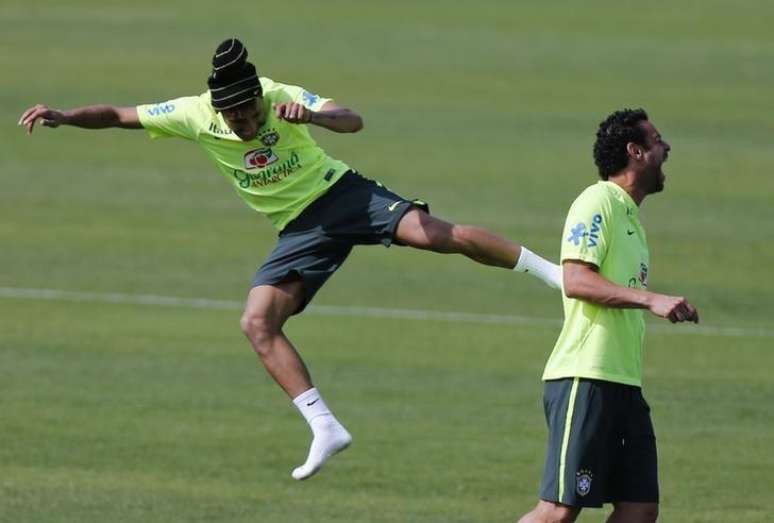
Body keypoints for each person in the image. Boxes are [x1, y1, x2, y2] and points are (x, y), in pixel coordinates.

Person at [19, 37, 562, 481]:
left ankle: (552, 274)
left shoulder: (280, 95)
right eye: (233, 115)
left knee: (438, 235)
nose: (245, 122)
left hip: (341, 195)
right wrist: (65, 116)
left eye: (250, 110)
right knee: (257, 321)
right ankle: (325, 427)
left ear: (260, 96)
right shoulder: (192, 114)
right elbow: (117, 114)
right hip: (299, 230)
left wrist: (315, 116)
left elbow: (353, 120)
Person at [517, 108, 699, 523]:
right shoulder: (597, 201)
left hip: (624, 383)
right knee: (559, 510)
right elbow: (576, 279)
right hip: (586, 378)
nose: (666, 147)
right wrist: (649, 299)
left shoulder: (631, 218)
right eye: (657, 141)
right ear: (635, 152)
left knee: (639, 509)